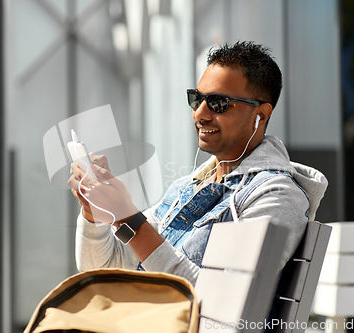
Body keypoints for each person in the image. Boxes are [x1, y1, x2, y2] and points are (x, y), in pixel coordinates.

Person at [67, 41, 328, 285]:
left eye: (218, 104)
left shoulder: (278, 196)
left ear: (260, 115)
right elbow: (97, 269)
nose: (200, 114)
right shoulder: (186, 188)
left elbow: (224, 299)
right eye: (196, 98)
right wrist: (96, 215)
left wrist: (130, 219)